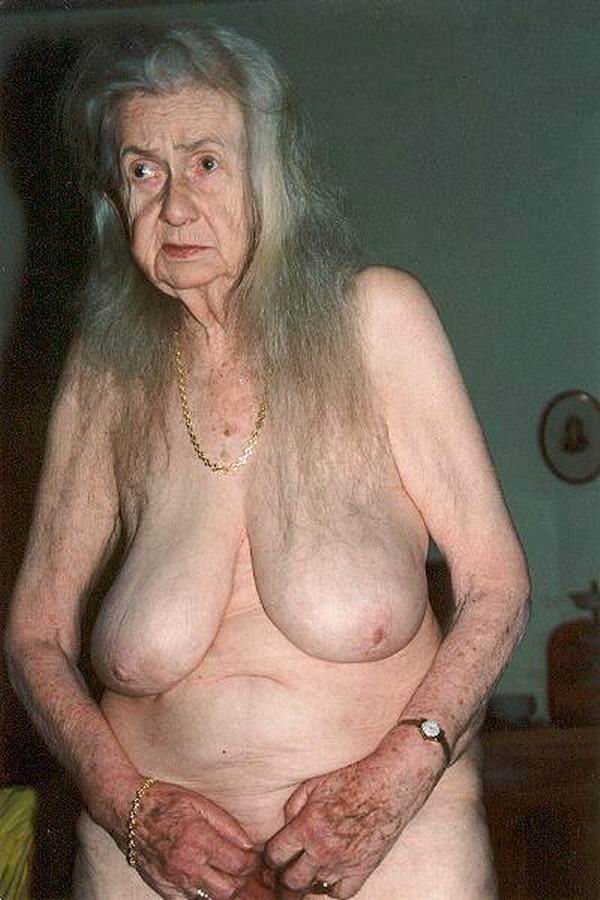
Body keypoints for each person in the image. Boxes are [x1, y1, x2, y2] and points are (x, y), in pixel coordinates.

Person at [4, 23, 530, 900]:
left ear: (270, 177)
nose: (175, 207)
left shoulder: (377, 321)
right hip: (150, 863)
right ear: (113, 197)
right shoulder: (104, 378)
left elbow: (496, 585)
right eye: (143, 171)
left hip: (388, 846)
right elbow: (35, 634)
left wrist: (399, 777)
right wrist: (124, 802)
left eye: (206, 163)